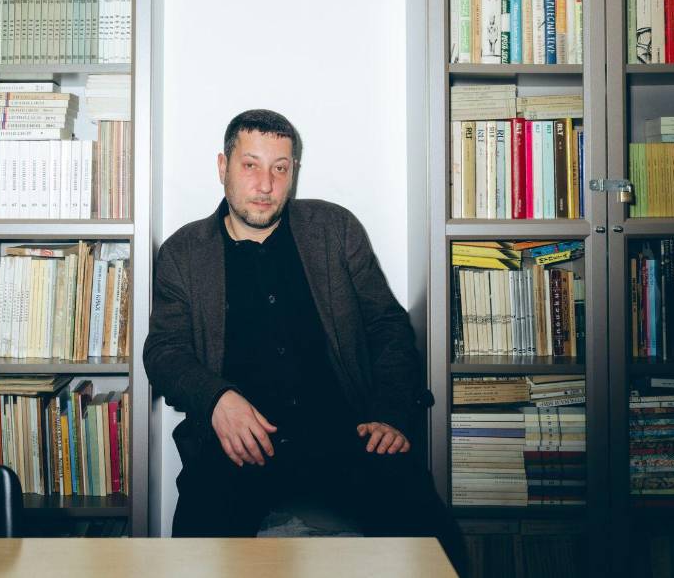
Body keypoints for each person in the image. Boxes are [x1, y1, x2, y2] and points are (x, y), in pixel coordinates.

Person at [144, 109, 467, 572]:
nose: (266, 184)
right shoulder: (183, 252)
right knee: (195, 559)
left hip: (347, 437)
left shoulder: (335, 229)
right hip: (237, 448)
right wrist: (216, 400)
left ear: (294, 170)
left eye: (280, 168)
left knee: (434, 550)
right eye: (250, 165)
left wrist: (389, 413)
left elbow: (387, 326)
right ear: (222, 167)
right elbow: (164, 352)